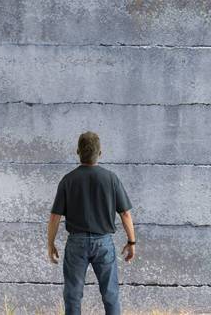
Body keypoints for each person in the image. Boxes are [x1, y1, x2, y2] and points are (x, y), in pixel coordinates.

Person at [47, 131, 136, 315]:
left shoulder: (68, 180)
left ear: (78, 151)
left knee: (73, 295)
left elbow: (55, 216)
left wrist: (50, 243)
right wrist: (131, 241)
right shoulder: (111, 178)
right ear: (100, 153)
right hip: (103, 242)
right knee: (110, 294)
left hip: (76, 244)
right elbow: (125, 213)